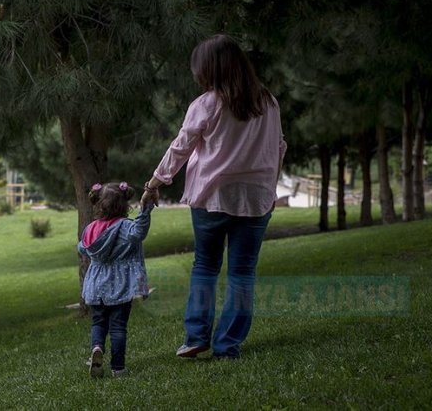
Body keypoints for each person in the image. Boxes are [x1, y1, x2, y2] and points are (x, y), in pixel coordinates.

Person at [141, 34, 286, 360]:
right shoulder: (269, 102)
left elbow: (182, 146)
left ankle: (196, 337)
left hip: (213, 197)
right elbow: (279, 148)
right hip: (256, 199)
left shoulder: (206, 104)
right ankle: (227, 345)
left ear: (210, 70)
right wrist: (270, 187)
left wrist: (156, 181)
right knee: (243, 271)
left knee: (205, 265)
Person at [79, 182, 152, 378]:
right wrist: (145, 210)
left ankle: (97, 348)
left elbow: (82, 248)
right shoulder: (126, 227)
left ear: (98, 205)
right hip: (119, 285)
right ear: (124, 205)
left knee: (98, 323)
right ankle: (118, 367)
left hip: (95, 286)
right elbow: (139, 232)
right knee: (118, 327)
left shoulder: (90, 229)